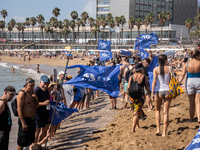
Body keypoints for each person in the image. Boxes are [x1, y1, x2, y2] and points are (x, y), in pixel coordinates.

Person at [151, 54, 172, 137]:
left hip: (159, 92)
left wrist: (152, 93)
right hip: (168, 91)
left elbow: (154, 82)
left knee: (157, 110)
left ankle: (158, 129)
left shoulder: (155, 69)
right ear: (165, 60)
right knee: (166, 113)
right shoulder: (170, 68)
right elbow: (174, 80)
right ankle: (164, 133)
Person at [127, 63, 150, 132]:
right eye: (142, 68)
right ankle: (133, 128)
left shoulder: (131, 76)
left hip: (132, 97)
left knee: (135, 110)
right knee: (136, 113)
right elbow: (148, 88)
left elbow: (128, 87)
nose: (143, 69)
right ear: (140, 69)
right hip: (140, 97)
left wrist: (130, 94)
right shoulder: (143, 76)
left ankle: (137, 125)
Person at [17, 78, 39, 150]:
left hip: (32, 119)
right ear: (26, 85)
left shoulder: (33, 92)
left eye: (33, 85)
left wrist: (35, 98)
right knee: (21, 142)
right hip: (25, 119)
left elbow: (37, 106)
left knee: (31, 140)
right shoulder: (22, 94)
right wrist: (23, 123)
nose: (32, 87)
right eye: (31, 85)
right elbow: (19, 109)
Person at [179, 50, 200, 123]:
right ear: (197, 56)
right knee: (198, 102)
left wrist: (178, 82)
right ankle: (199, 118)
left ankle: (191, 119)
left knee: (191, 102)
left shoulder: (187, 64)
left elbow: (182, 75)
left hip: (189, 82)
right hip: (199, 81)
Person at [34, 75, 50, 144]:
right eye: (44, 84)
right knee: (37, 130)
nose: (46, 86)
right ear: (40, 82)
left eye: (47, 85)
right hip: (37, 114)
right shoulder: (36, 90)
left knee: (44, 129)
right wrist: (43, 103)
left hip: (45, 113)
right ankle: (34, 145)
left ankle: (39, 144)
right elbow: (33, 104)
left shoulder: (46, 90)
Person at [0, 86, 16, 150]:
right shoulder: (1, 103)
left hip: (5, 132)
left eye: (14, 95)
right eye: (11, 94)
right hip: (1, 133)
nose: (12, 96)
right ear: (5, 92)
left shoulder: (5, 102)